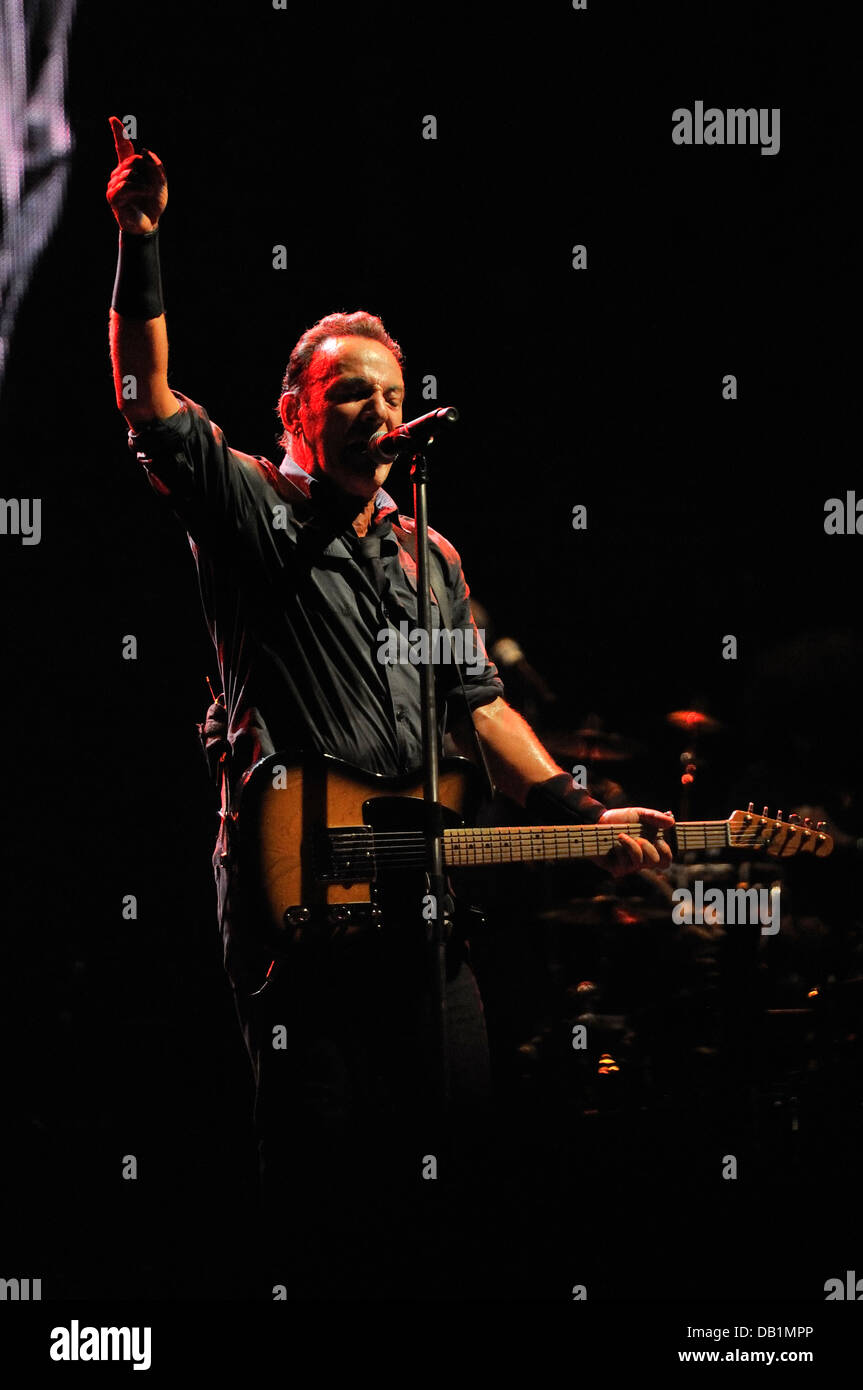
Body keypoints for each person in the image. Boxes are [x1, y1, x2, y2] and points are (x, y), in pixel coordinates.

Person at [105, 117, 675, 1297]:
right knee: (316, 1195)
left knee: (454, 1182)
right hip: (298, 911)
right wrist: (140, 241)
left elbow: (480, 707)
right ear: (295, 412)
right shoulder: (254, 511)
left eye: (393, 392)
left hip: (425, 923)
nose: (378, 408)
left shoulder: (430, 557)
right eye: (349, 392)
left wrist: (584, 811)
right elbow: (147, 397)